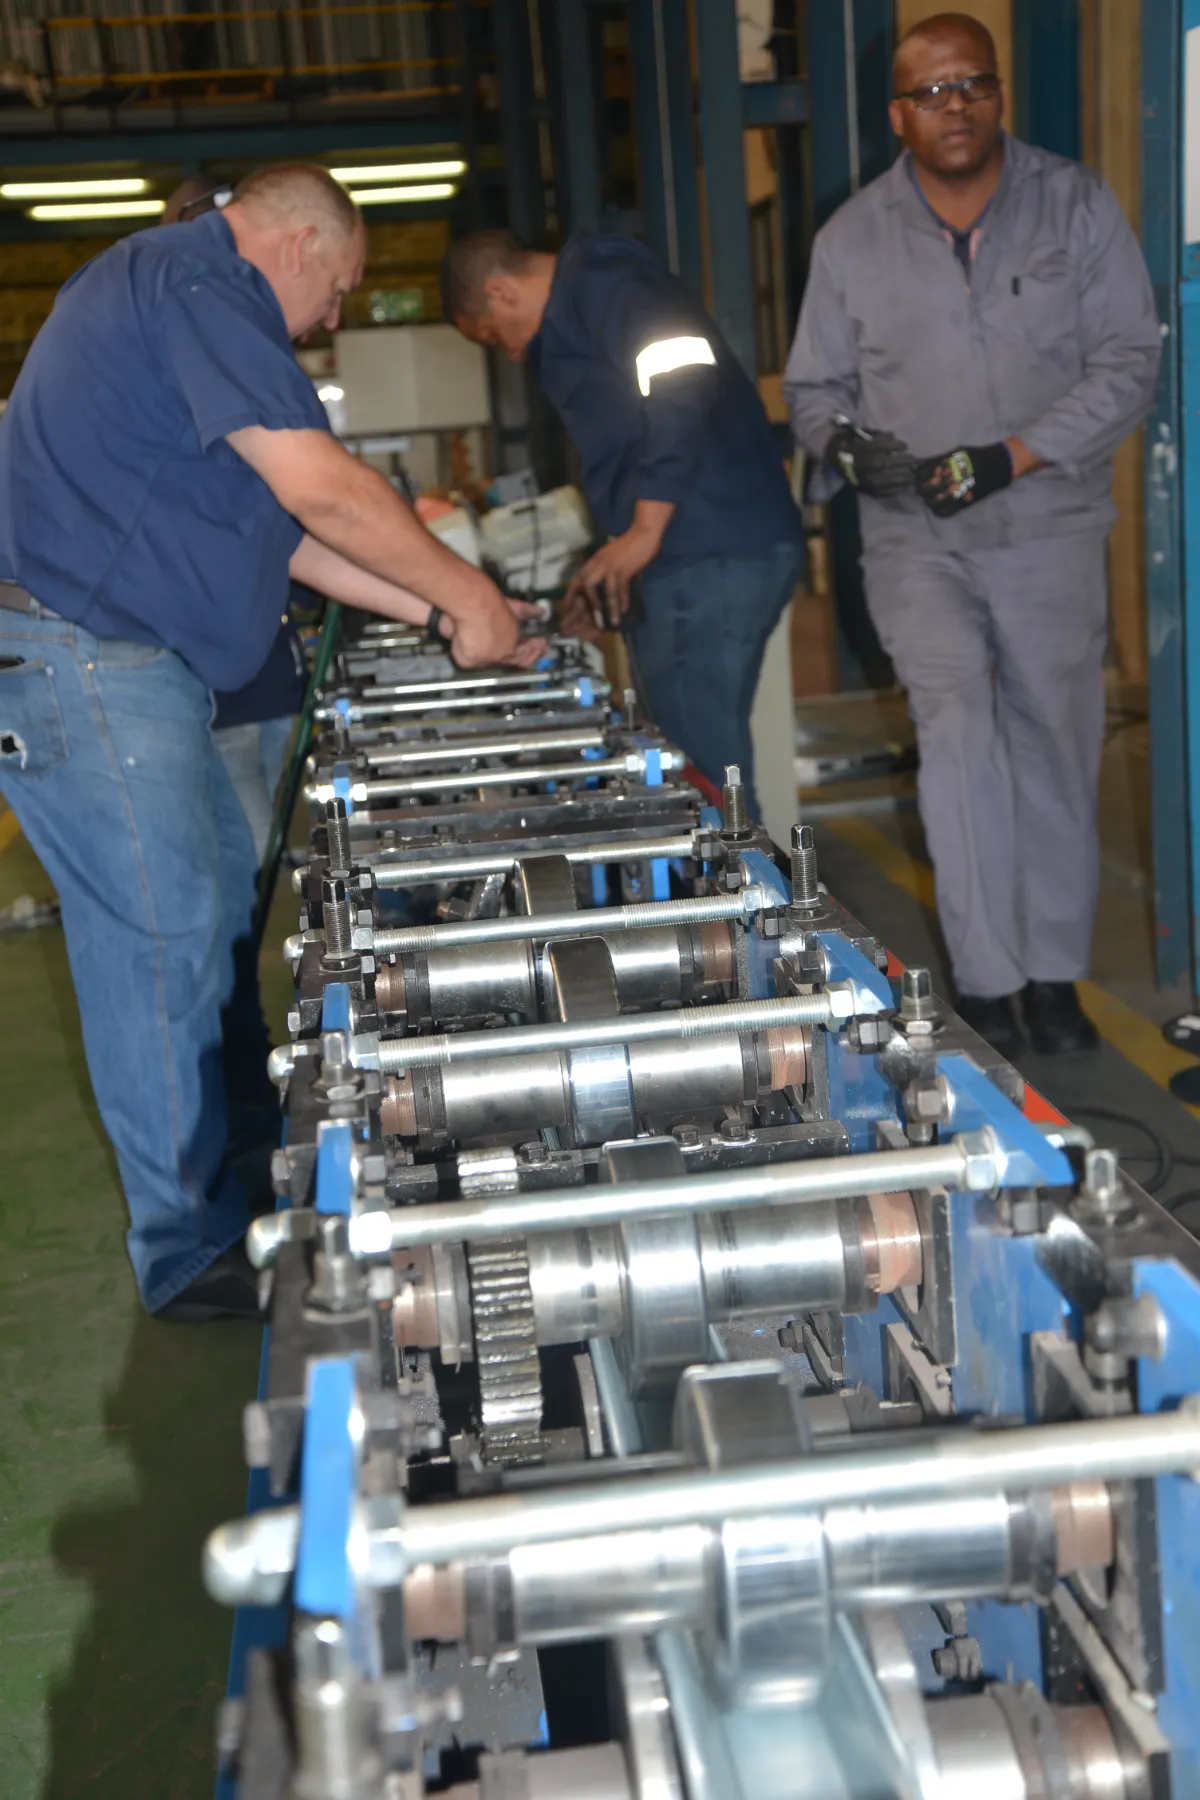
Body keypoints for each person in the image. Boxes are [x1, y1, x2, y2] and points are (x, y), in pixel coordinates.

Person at [0, 164, 541, 1320]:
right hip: (83, 655)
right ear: (299, 246)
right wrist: (465, 594)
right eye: (338, 291)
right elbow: (328, 493)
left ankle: (228, 1162)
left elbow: (296, 539)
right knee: (160, 940)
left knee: (210, 911)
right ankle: (184, 1247)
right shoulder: (198, 285)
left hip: (128, 664)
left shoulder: (189, 311)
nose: (331, 318)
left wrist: (454, 611)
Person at [783, 12, 1160, 1060]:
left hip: (1049, 527)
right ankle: (989, 980)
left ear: (997, 94)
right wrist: (847, 448)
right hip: (916, 539)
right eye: (931, 92)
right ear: (898, 115)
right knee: (956, 736)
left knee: (1054, 742)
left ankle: (1053, 977)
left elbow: (1130, 360)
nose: (956, 105)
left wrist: (1016, 455)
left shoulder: (1075, 204)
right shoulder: (851, 239)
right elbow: (814, 390)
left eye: (972, 84)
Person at [441, 229, 805, 821]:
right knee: (695, 766)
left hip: (705, 550)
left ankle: (741, 881)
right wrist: (613, 571)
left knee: (698, 777)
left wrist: (644, 533)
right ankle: (731, 875)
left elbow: (681, 373)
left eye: (491, 335)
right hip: (696, 555)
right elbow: (632, 444)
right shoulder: (583, 307)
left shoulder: (600, 278)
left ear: (501, 292)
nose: (509, 353)